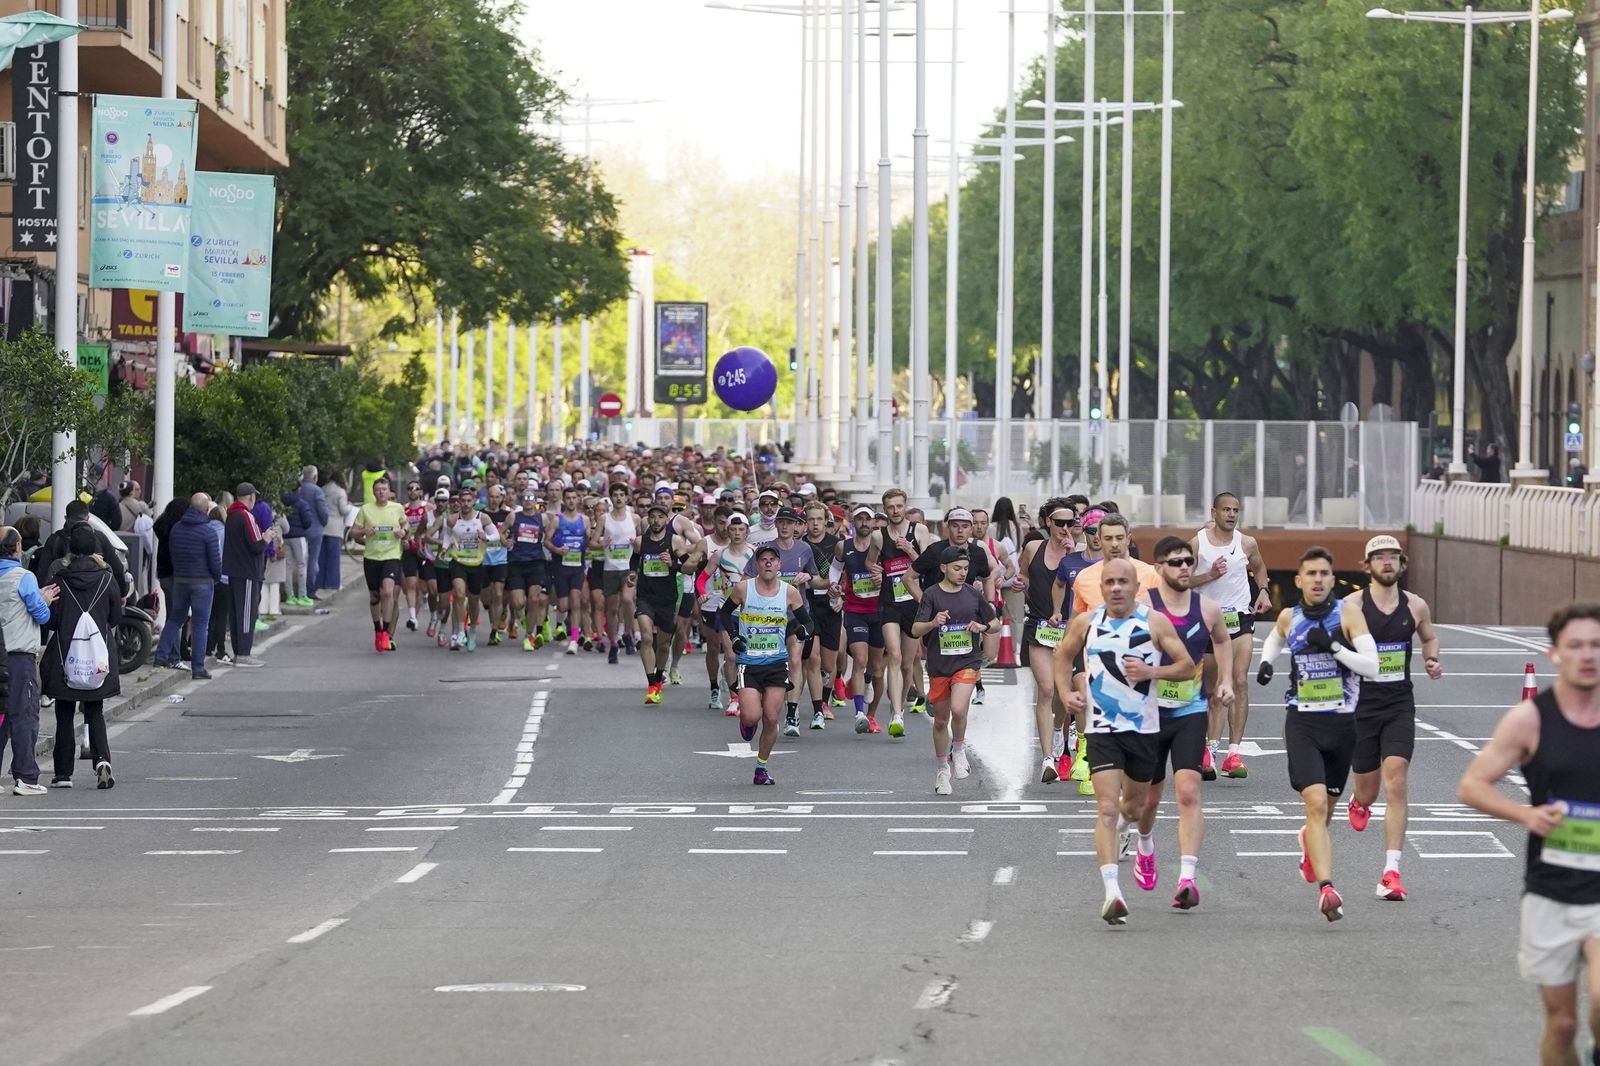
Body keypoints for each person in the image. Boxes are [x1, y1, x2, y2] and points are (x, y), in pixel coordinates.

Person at [1458, 602, 1600, 1066]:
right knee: (1562, 1024)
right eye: (1576, 645)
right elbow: (1473, 785)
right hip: (1551, 888)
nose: (1588, 655)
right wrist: (1526, 815)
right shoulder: (1530, 719)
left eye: (1596, 645)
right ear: (1554, 653)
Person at [1052, 558, 1195, 925]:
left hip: (1143, 729)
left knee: (1133, 807)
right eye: (1110, 582)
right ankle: (1112, 893)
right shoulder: (1087, 622)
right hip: (1102, 728)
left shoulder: (1154, 622)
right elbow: (1062, 655)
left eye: (1123, 582)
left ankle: (1135, 833)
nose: (1116, 588)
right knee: (1106, 808)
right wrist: (1066, 693)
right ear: (1102, 588)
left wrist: (1151, 671)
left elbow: (1186, 666)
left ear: (1136, 587)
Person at [1255, 547, 1381, 922]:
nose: (1318, 580)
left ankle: (1310, 843)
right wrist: (1266, 663)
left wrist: (1334, 646)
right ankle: (1327, 889)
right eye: (1311, 573)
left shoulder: (1348, 614)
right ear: (1299, 580)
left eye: (1324, 573)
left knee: (1326, 809)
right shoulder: (1289, 617)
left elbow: (1372, 666)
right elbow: (1275, 638)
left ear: (1332, 579)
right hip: (1303, 722)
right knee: (1314, 803)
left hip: (1342, 724)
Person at [1134, 537, 1234, 910]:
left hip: (1190, 711)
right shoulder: (1143, 607)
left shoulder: (1207, 608)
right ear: (1158, 568)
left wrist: (1225, 680)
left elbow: (1222, 641)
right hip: (1149, 713)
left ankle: (1187, 878)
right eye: (1175, 562)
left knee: (1188, 791)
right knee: (1148, 798)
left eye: (1188, 561)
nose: (1184, 567)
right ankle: (1145, 844)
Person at [1342, 535, 1442, 902]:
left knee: (1396, 779)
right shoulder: (1352, 606)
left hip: (1399, 704)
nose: (1387, 562)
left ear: (1402, 564)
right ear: (1366, 566)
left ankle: (1391, 872)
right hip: (1361, 707)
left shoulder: (1415, 606)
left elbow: (1429, 638)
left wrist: (1431, 658)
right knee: (1368, 790)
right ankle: (1359, 801)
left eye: (1393, 557)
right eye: (1379, 557)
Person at [1187, 492, 1273, 780]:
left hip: (1240, 619)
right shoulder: (1197, 543)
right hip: (1208, 621)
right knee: (1213, 690)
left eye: (1236, 510)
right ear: (1214, 512)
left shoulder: (1247, 543)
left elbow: (1259, 567)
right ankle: (1209, 751)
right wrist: (1208, 575)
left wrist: (1263, 590)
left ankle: (1233, 754)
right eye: (1226, 509)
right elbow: (1181, 580)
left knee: (1239, 681)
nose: (1232, 514)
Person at [718, 542, 813, 786]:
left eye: (772, 560)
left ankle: (761, 767)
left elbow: (807, 622)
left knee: (771, 718)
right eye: (763, 560)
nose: (768, 563)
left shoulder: (789, 592)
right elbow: (724, 614)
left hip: (776, 663)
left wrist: (803, 632)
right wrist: (735, 637)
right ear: (757, 565)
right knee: (752, 716)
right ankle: (747, 722)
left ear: (779, 565)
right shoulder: (743, 588)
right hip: (749, 663)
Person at [911, 547, 998, 796]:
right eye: (957, 568)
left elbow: (994, 623)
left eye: (966, 569)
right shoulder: (932, 594)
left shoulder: (972, 594)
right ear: (943, 568)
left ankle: (958, 749)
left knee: (959, 709)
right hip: (939, 665)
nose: (962, 573)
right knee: (940, 720)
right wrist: (933, 622)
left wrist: (981, 626)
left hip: (966, 661)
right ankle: (942, 769)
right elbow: (915, 630)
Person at [42, 523, 121, 789]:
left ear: (70, 549)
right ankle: (102, 760)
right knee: (95, 710)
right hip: (97, 656)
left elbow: (50, 621)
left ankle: (63, 773)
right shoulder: (107, 578)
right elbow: (115, 617)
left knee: (64, 713)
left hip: (65, 655)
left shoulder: (59, 579)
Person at [1017, 502, 1078, 784]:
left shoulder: (1078, 552)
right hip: (1040, 626)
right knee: (1046, 689)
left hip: (1070, 630)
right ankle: (1047, 759)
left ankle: (1057, 731)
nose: (1065, 528)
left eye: (1070, 523)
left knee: (1063, 694)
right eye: (1059, 523)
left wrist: (1071, 556)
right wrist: (1020, 585)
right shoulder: (1033, 548)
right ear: (1048, 523)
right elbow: (1024, 576)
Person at [866, 488, 936, 728]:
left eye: (899, 506)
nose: (895, 511)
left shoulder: (920, 531)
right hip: (889, 602)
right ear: (884, 509)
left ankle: (900, 707)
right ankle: (896, 714)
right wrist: (874, 570)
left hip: (913, 603)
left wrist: (909, 549)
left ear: (905, 506)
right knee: (894, 655)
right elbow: (869, 561)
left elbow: (928, 565)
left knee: (907, 664)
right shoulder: (878, 536)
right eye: (890, 507)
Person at [0, 525, 58, 795]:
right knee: (23, 715)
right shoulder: (23, 577)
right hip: (19, 656)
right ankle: (25, 777)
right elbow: (42, 615)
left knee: (1, 717)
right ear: (17, 548)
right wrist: (44, 599)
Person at [631, 500, 692, 703]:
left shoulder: (675, 541)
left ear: (667, 519)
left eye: (660, 517)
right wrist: (632, 573)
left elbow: (688, 566)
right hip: (645, 596)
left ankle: (658, 678)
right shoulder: (640, 541)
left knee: (664, 645)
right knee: (647, 638)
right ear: (648, 519)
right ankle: (651, 685)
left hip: (667, 598)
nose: (656, 521)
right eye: (653, 517)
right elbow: (634, 559)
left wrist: (672, 564)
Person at [155, 493, 221, 679]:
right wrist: (215, 578)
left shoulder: (177, 528)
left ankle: (161, 655)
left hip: (180, 580)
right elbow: (215, 561)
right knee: (200, 624)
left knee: (175, 619)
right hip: (202, 582)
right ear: (206, 509)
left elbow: (174, 554)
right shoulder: (208, 531)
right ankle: (198, 668)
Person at [350, 476, 407, 652]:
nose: (381, 492)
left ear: (389, 492)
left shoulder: (397, 508)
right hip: (372, 557)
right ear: (374, 492)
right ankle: (377, 630)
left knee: (388, 592)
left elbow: (405, 525)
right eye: (378, 490)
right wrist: (364, 531)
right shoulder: (366, 510)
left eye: (384, 489)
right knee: (375, 596)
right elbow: (353, 533)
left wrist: (403, 532)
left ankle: (386, 633)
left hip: (391, 556)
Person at [31, 499, 129, 601]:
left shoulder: (55, 540)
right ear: (87, 517)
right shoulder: (99, 538)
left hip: (64, 598)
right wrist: (122, 594)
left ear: (66, 518)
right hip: (96, 598)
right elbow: (117, 568)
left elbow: (42, 573)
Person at [223, 483, 270, 667]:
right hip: (248, 572)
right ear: (251, 497)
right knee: (247, 614)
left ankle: (238, 652)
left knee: (236, 613)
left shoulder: (231, 515)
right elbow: (256, 545)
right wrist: (266, 538)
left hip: (234, 570)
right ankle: (244, 653)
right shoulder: (246, 516)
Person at [153, 495, 190, 610]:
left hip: (164, 572)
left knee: (171, 609)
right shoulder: (180, 531)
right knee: (179, 612)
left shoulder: (162, 528)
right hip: (178, 573)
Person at [282, 485, 315, 607]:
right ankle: (302, 595)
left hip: (286, 537)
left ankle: (290, 596)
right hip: (299, 537)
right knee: (301, 565)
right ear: (299, 488)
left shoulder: (283, 502)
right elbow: (308, 521)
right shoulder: (301, 503)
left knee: (288, 566)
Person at [299, 465, 329, 599]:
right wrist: (323, 523)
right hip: (315, 530)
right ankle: (310, 590)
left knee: (299, 561)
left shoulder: (298, 489)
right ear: (315, 477)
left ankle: (299, 589)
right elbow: (323, 513)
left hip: (299, 531)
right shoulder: (317, 491)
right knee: (313, 561)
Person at [317, 472, 350, 595]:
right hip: (335, 528)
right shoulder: (341, 492)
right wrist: (350, 507)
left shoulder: (323, 489)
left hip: (323, 526)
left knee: (322, 557)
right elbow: (343, 510)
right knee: (334, 558)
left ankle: (320, 582)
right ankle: (333, 583)